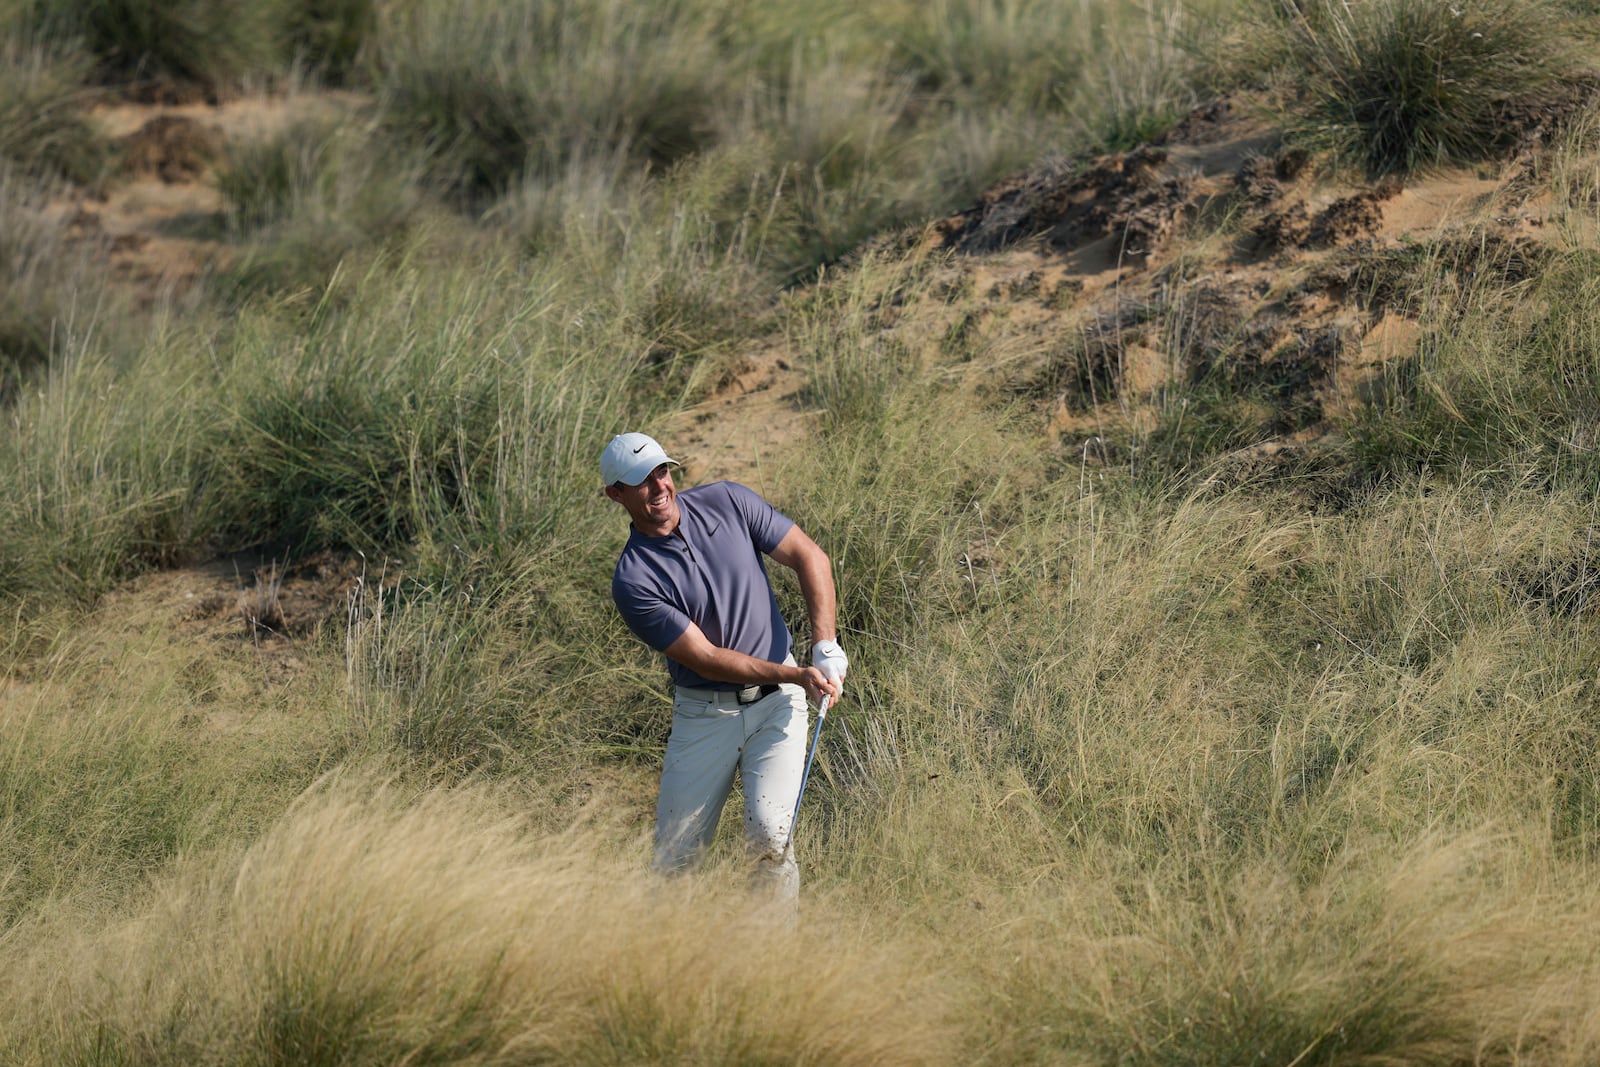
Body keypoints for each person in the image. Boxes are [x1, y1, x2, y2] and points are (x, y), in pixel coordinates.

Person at [601, 431, 847, 906]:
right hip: (705, 716)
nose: (659, 489)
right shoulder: (633, 580)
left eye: (662, 472)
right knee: (675, 862)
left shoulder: (726, 500)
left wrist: (825, 645)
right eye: (641, 482)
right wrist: (796, 675)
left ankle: (769, 968)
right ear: (617, 494)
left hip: (779, 708)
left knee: (770, 841)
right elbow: (708, 657)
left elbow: (808, 556)